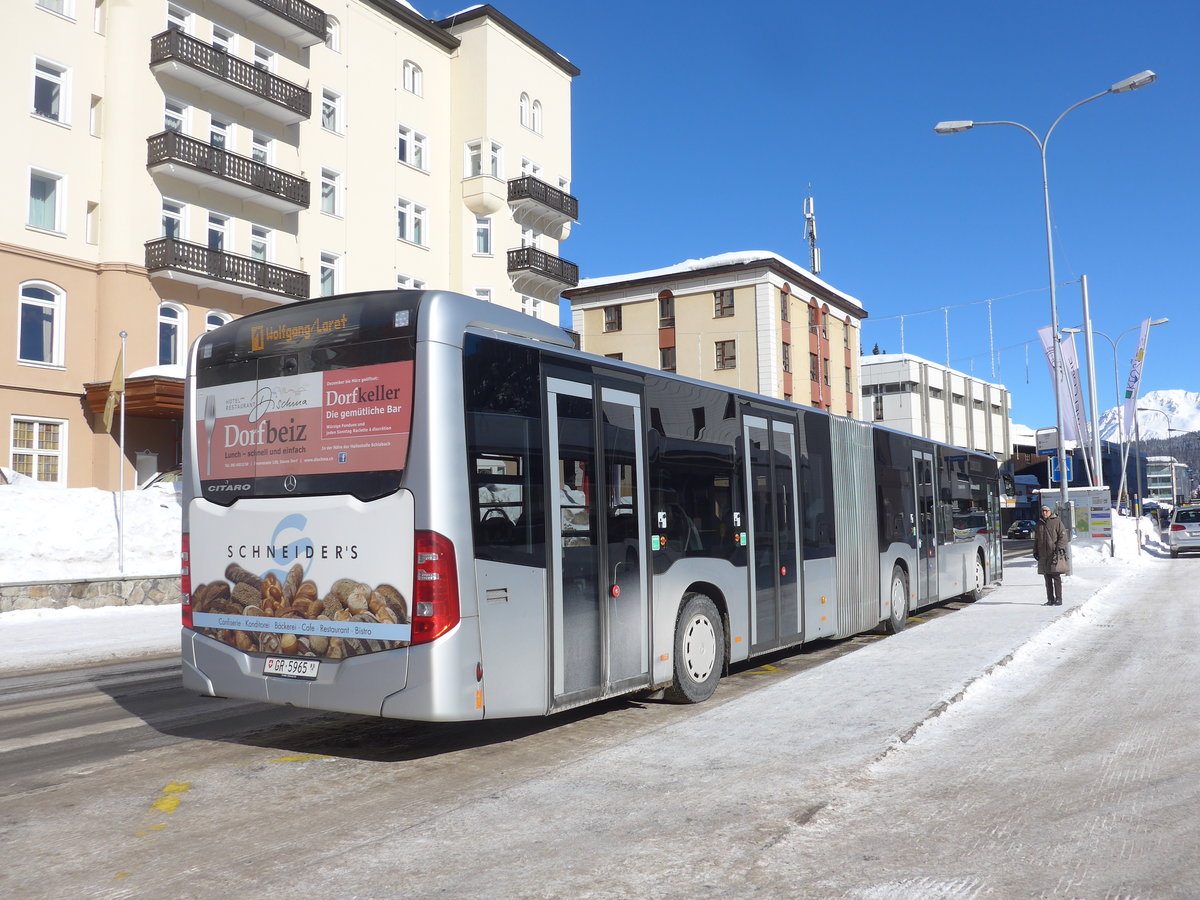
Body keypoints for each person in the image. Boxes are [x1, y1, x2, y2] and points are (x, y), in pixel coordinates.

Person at [1033, 503, 1067, 606]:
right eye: (1043, 511)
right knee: (1047, 578)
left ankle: (1059, 599)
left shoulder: (1057, 522)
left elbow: (1063, 536)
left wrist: (1059, 548)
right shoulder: (1039, 523)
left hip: (1054, 554)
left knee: (1056, 577)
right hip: (1044, 556)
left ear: (1050, 511)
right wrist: (1035, 551)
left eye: (1046, 511)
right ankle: (1050, 599)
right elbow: (1037, 539)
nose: (1044, 513)